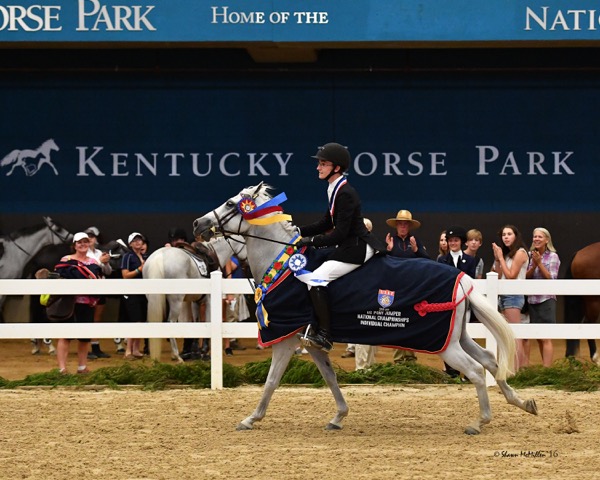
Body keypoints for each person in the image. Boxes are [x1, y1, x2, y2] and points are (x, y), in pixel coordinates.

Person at [295, 142, 385, 352]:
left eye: (323, 164)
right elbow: (326, 223)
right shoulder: (334, 188)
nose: (318, 167)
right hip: (349, 244)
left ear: (336, 167)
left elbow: (339, 233)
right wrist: (297, 232)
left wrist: (311, 242)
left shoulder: (345, 192)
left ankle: (325, 335)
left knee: (315, 280)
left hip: (357, 247)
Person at [54, 232, 104, 375]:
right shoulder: (66, 260)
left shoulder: (94, 263)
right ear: (74, 245)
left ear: (89, 244)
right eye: (79, 242)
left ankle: (82, 367)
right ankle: (62, 368)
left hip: (87, 303)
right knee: (65, 336)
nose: (82, 245)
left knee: (84, 337)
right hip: (68, 303)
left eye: (85, 242)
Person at [385, 209, 429, 363]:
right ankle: (398, 359)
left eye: (405, 224)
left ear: (409, 226)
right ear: (396, 226)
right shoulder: (391, 241)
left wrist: (417, 250)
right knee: (396, 321)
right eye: (400, 224)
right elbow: (384, 263)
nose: (403, 227)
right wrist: (388, 251)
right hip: (395, 288)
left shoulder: (415, 241)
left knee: (410, 322)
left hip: (412, 288)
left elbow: (427, 260)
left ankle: (410, 358)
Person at [437, 226, 477, 379]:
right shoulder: (442, 260)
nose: (453, 243)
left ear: (461, 242)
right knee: (449, 335)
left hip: (464, 303)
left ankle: (468, 371)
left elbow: (471, 281)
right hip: (448, 304)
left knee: (465, 336)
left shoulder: (470, 260)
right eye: (451, 240)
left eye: (456, 240)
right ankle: (451, 370)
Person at [491, 224, 529, 370]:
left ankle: (516, 369)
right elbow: (497, 275)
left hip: (513, 295)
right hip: (504, 295)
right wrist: (497, 259)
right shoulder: (507, 254)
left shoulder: (520, 252)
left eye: (509, 234)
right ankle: (512, 368)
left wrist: (500, 257)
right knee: (508, 333)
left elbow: (511, 276)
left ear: (516, 236)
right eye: (503, 235)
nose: (506, 237)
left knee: (514, 334)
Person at [524, 227, 560, 367]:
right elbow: (525, 277)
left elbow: (551, 278)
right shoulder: (529, 255)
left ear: (547, 240)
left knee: (546, 337)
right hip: (532, 300)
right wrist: (533, 265)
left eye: (540, 237)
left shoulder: (553, 257)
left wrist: (539, 263)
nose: (536, 239)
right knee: (538, 336)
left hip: (546, 299)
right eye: (535, 236)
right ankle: (545, 367)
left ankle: (547, 368)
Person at [84, 226, 112, 360]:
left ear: (96, 239)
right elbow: (89, 269)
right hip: (88, 290)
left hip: (100, 288)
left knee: (97, 318)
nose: (90, 239)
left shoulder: (100, 252)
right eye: (87, 237)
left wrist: (106, 264)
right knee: (89, 318)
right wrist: (101, 262)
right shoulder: (85, 254)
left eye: (92, 236)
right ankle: (87, 348)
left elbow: (108, 272)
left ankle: (95, 347)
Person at [120, 232, 149, 359]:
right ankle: (128, 351)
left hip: (143, 293)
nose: (138, 242)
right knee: (134, 320)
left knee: (141, 321)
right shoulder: (127, 256)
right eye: (135, 240)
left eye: (140, 240)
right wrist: (139, 270)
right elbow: (125, 275)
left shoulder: (145, 256)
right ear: (130, 244)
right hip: (132, 293)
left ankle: (136, 350)